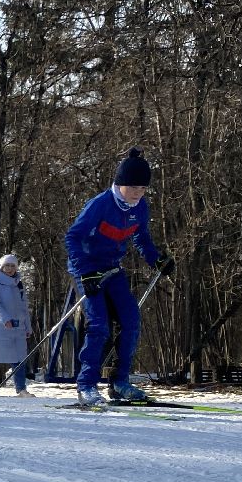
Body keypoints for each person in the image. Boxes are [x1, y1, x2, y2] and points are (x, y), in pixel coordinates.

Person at [64, 147, 174, 406]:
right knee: (99, 325)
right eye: (134, 187)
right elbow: (72, 237)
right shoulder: (100, 204)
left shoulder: (140, 207)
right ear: (120, 183)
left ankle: (120, 382)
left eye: (143, 189)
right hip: (88, 269)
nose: (139, 193)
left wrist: (155, 259)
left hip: (113, 269)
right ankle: (87, 385)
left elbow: (141, 236)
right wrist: (85, 272)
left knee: (132, 320)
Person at [0, 253, 35, 397]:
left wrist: (27, 327)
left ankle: (21, 389)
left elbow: (24, 309)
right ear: (1, 267)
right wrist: (4, 319)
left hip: (17, 329)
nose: (10, 268)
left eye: (13, 266)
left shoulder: (19, 284)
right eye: (7, 265)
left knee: (19, 360)